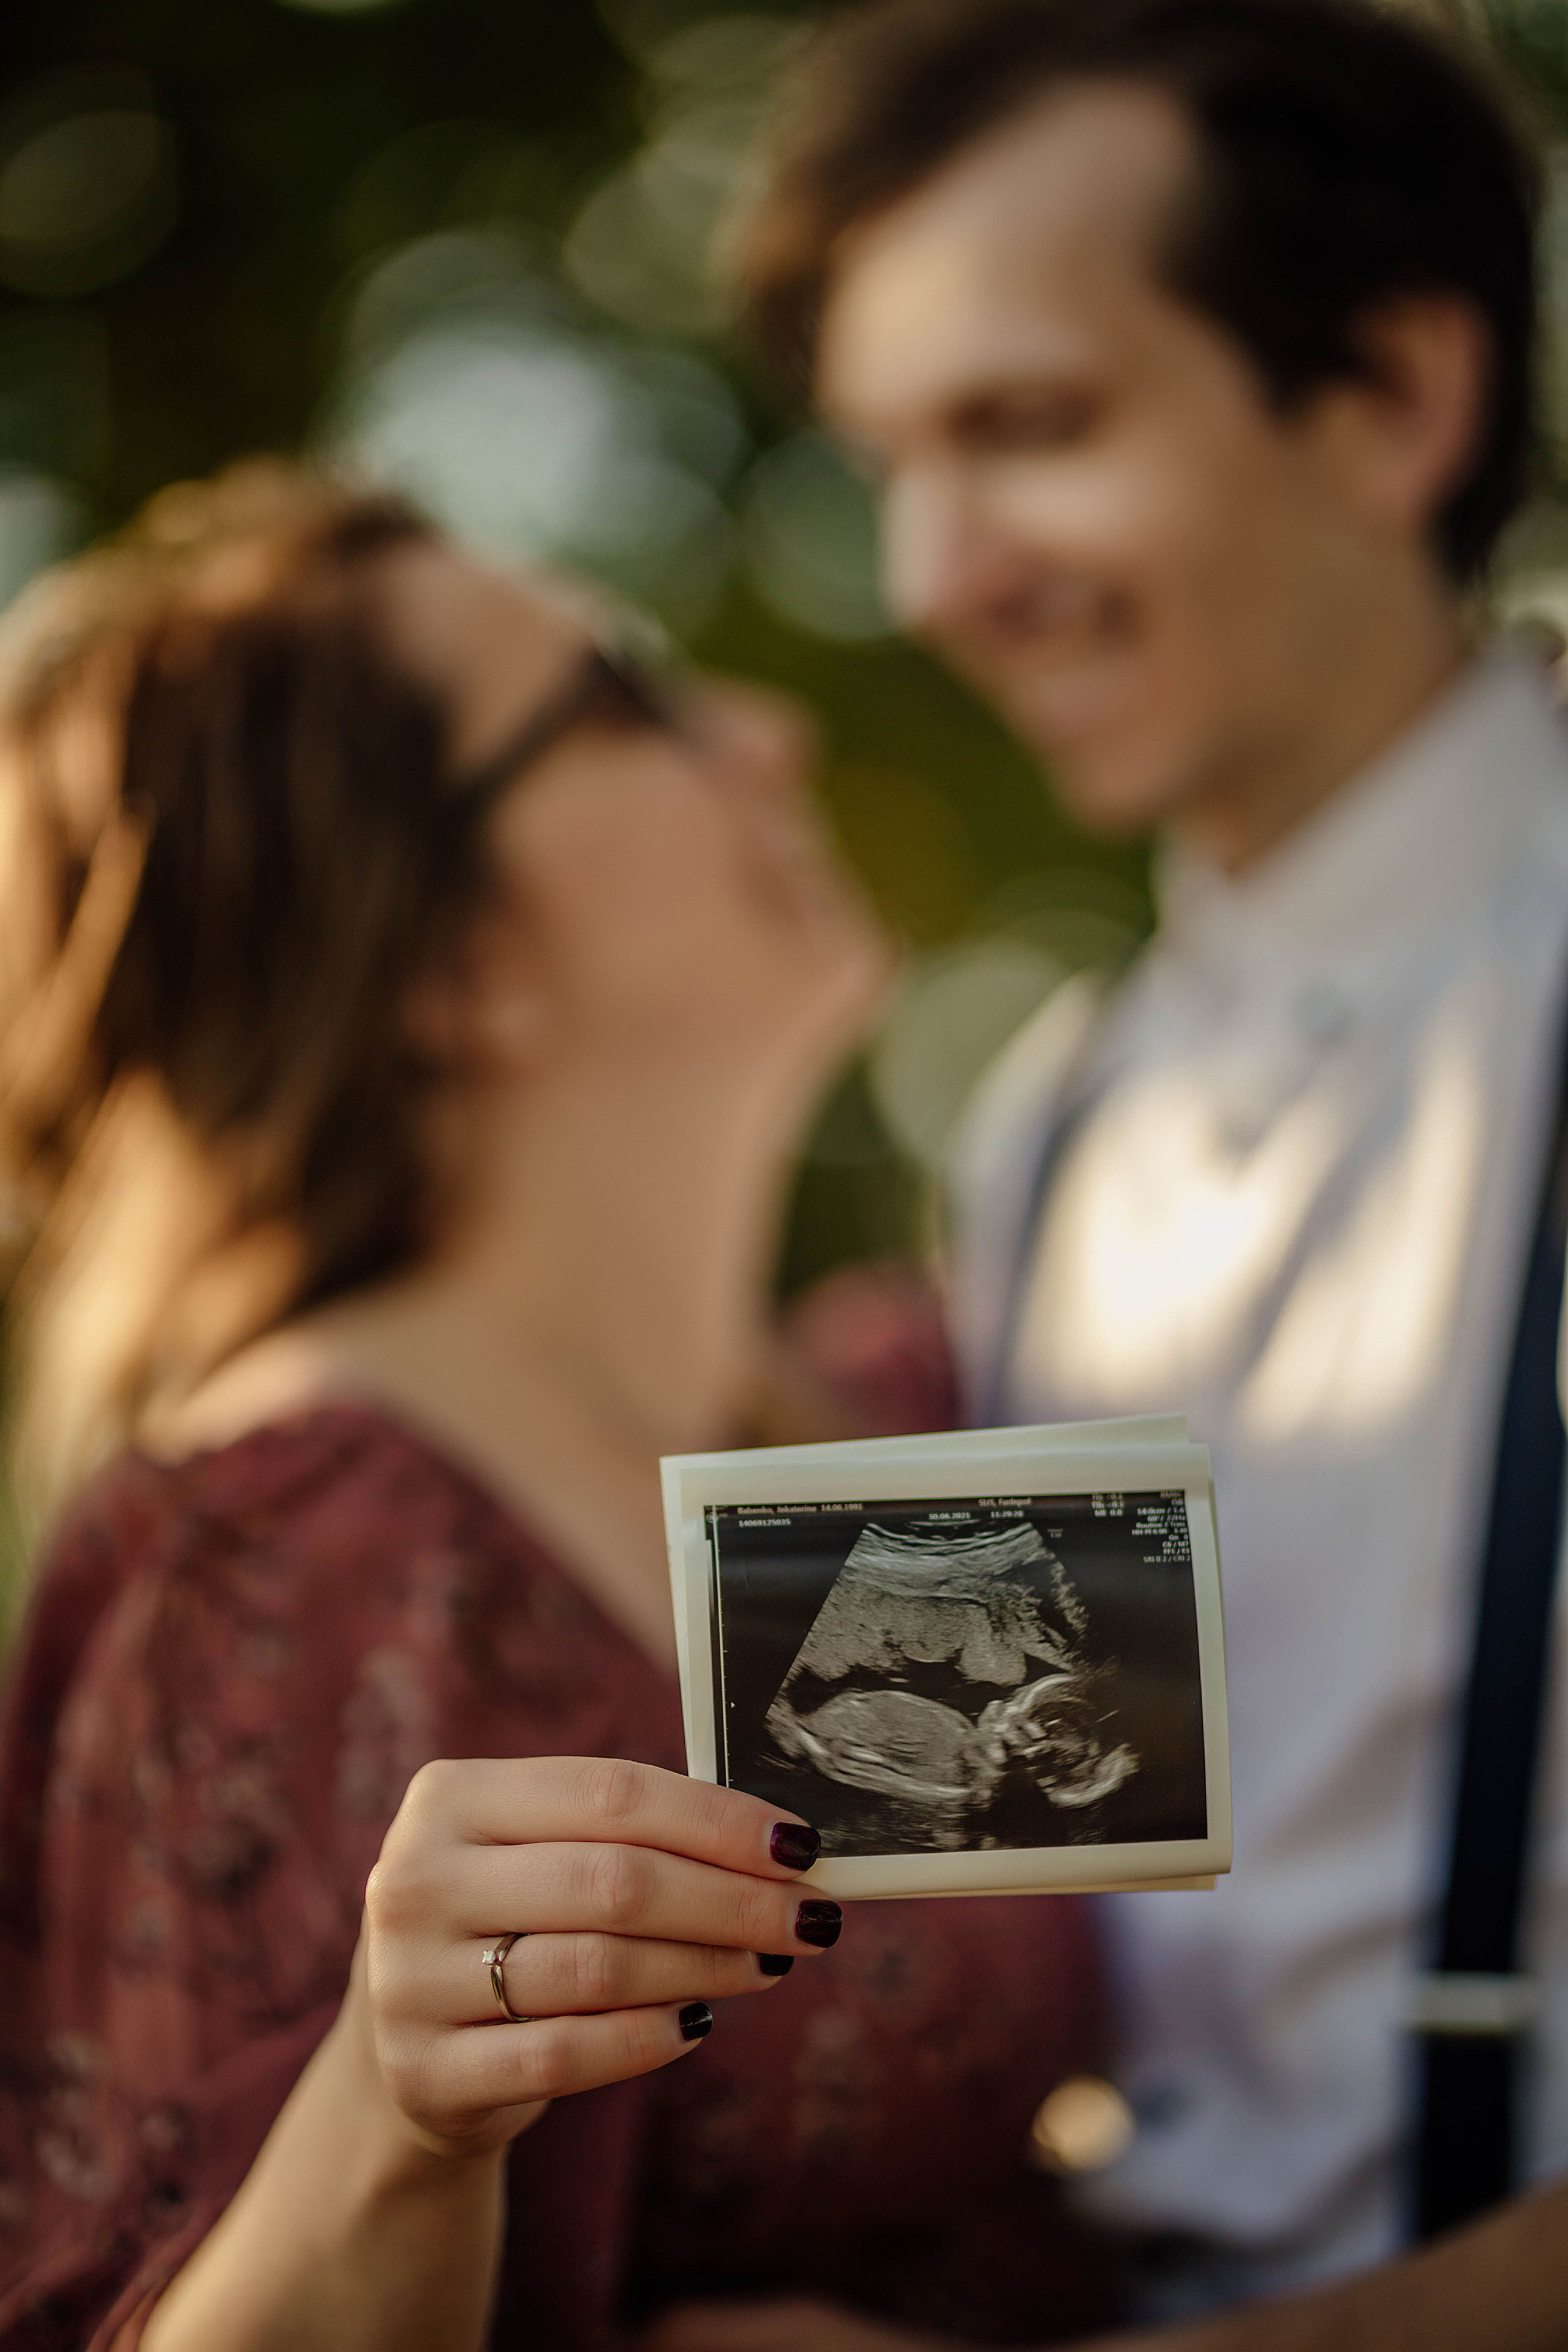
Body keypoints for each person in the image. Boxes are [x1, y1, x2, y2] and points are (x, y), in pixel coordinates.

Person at [637, 0, 1568, 2345]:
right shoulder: (1055, 1115)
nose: (932, 574)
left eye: (1032, 428)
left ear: (1396, 395)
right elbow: (1047, 1859)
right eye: (893, 462)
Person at [0, 467, 1109, 2348]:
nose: (771, 734)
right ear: (451, 962)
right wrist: (394, 2123)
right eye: (622, 700)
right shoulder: (274, 1559)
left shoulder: (882, 1401)